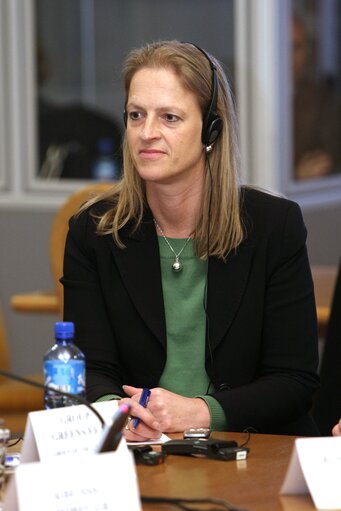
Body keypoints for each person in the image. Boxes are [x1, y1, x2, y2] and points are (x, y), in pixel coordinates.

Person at [62, 40, 320, 441]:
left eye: (169, 117)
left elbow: (294, 381)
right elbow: (88, 368)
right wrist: (118, 416)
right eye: (136, 115)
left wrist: (200, 412)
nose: (147, 133)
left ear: (211, 129)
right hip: (139, 451)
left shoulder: (274, 226)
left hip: (249, 449)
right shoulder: (93, 232)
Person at [292, 14, 341, 180]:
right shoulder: (248, 100)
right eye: (283, 47)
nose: (289, 57)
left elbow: (329, 156)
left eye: (296, 47)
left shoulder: (322, 98)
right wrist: (295, 175)